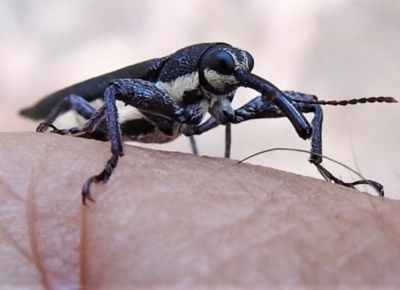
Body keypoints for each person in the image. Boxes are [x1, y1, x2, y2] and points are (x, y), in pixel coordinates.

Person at [1, 132, 399, 287]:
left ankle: (320, 166)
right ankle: (113, 155)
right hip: (94, 113)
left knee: (308, 104)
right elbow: (120, 89)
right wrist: (113, 160)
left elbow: (310, 110)